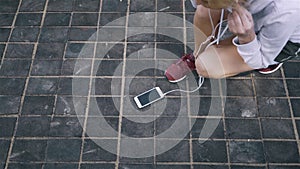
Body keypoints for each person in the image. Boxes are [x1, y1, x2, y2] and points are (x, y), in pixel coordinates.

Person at [165, 0, 300, 82]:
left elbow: (261, 57)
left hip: (282, 41)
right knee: (204, 11)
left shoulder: (287, 9)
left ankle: (273, 62)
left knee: (206, 65)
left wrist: (246, 37)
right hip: (253, 13)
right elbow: (201, 4)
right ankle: (196, 56)